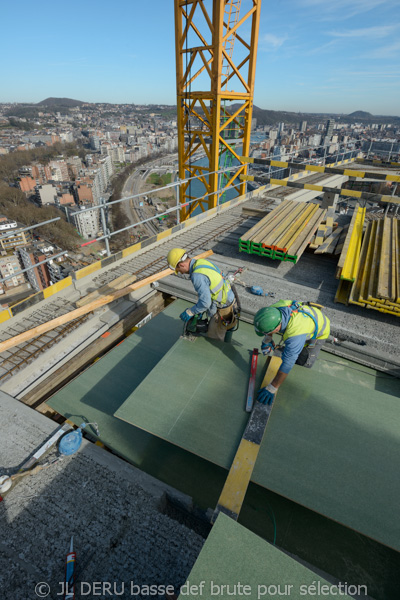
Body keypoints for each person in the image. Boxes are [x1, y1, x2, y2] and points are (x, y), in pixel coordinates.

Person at [254, 300, 330, 405]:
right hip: (304, 320)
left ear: (276, 329)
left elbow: (288, 363)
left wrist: (272, 388)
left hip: (320, 331)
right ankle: (290, 351)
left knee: (304, 361)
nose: (266, 334)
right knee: (291, 350)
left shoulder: (295, 334)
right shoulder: (272, 311)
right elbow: (270, 326)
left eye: (267, 332)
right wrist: (268, 339)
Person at [167, 248, 238, 341]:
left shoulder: (197, 276)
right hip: (230, 299)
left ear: (181, 264)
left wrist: (191, 311)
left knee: (214, 339)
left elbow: (205, 303)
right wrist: (200, 310)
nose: (180, 272)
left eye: (178, 270)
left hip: (223, 309)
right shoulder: (201, 262)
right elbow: (212, 289)